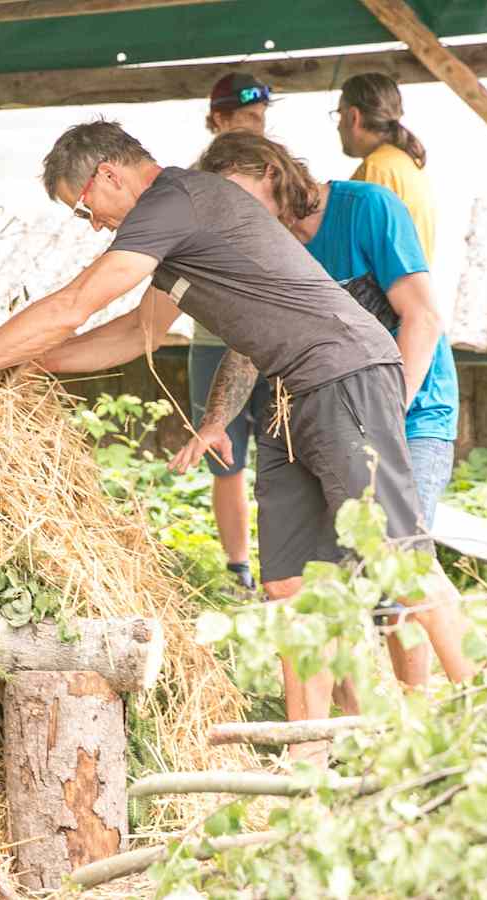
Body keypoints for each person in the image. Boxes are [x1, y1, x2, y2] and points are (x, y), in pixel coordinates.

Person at [0, 120, 475, 762]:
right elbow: (136, 334)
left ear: (108, 174)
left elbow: (77, 303)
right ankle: (310, 757)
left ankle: (484, 720)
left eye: (85, 209)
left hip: (340, 371)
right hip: (285, 392)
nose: (94, 224)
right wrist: (31, 362)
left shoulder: (175, 200)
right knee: (293, 583)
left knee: (398, 556)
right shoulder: (172, 231)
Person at [195, 132, 458, 528]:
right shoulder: (265, 250)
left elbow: (422, 318)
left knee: (399, 566)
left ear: (271, 172)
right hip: (337, 427)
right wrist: (215, 420)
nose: (236, 211)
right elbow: (250, 347)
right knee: (339, 576)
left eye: (238, 195)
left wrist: (384, 422)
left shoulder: (368, 206)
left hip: (413, 416)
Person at [191, 72, 275, 592]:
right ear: (218, 119)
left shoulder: (274, 178)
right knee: (224, 457)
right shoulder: (199, 184)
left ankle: (285, 566)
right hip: (212, 338)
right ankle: (238, 568)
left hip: (269, 339)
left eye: (262, 120)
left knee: (284, 456)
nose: (256, 128)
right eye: (246, 119)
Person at [334, 73, 435, 263]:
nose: (338, 126)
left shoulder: (377, 168)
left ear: (353, 116)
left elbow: (361, 253)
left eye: (339, 114)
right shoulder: (405, 162)